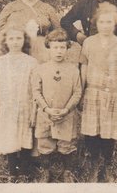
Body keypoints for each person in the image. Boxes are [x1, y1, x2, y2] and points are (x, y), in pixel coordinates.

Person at [79, 3, 117, 182]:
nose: (105, 25)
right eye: (102, 21)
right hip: (92, 92)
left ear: (115, 23)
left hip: (112, 94)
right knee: (92, 130)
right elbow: (84, 68)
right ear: (96, 23)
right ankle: (93, 163)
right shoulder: (88, 42)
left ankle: (107, 163)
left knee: (108, 132)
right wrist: (80, 92)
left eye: (109, 22)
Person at [0, 25, 38, 180]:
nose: (15, 42)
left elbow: (36, 89)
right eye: (11, 39)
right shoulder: (0, 62)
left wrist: (34, 111)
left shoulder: (32, 62)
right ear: (5, 41)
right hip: (7, 106)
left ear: (24, 40)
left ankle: (23, 170)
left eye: (19, 38)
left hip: (25, 104)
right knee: (9, 134)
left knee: (25, 134)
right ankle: (12, 171)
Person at [31, 29, 82, 182]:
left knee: (67, 144)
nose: (58, 51)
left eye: (62, 47)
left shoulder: (73, 70)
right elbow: (36, 91)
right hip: (46, 114)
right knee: (45, 143)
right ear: (49, 48)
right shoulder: (41, 69)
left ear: (67, 48)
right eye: (55, 47)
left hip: (66, 114)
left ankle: (67, 171)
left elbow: (77, 92)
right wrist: (46, 108)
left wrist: (67, 109)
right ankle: (45, 171)